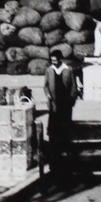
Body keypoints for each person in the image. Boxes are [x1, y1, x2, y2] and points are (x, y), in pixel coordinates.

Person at [43, 48, 79, 179]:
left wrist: (71, 100)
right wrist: (48, 95)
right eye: (52, 61)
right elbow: (45, 86)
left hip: (65, 104)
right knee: (53, 129)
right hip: (54, 105)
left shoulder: (68, 70)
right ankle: (55, 155)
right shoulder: (49, 70)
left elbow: (74, 88)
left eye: (56, 60)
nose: (54, 63)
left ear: (60, 59)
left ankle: (66, 154)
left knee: (64, 128)